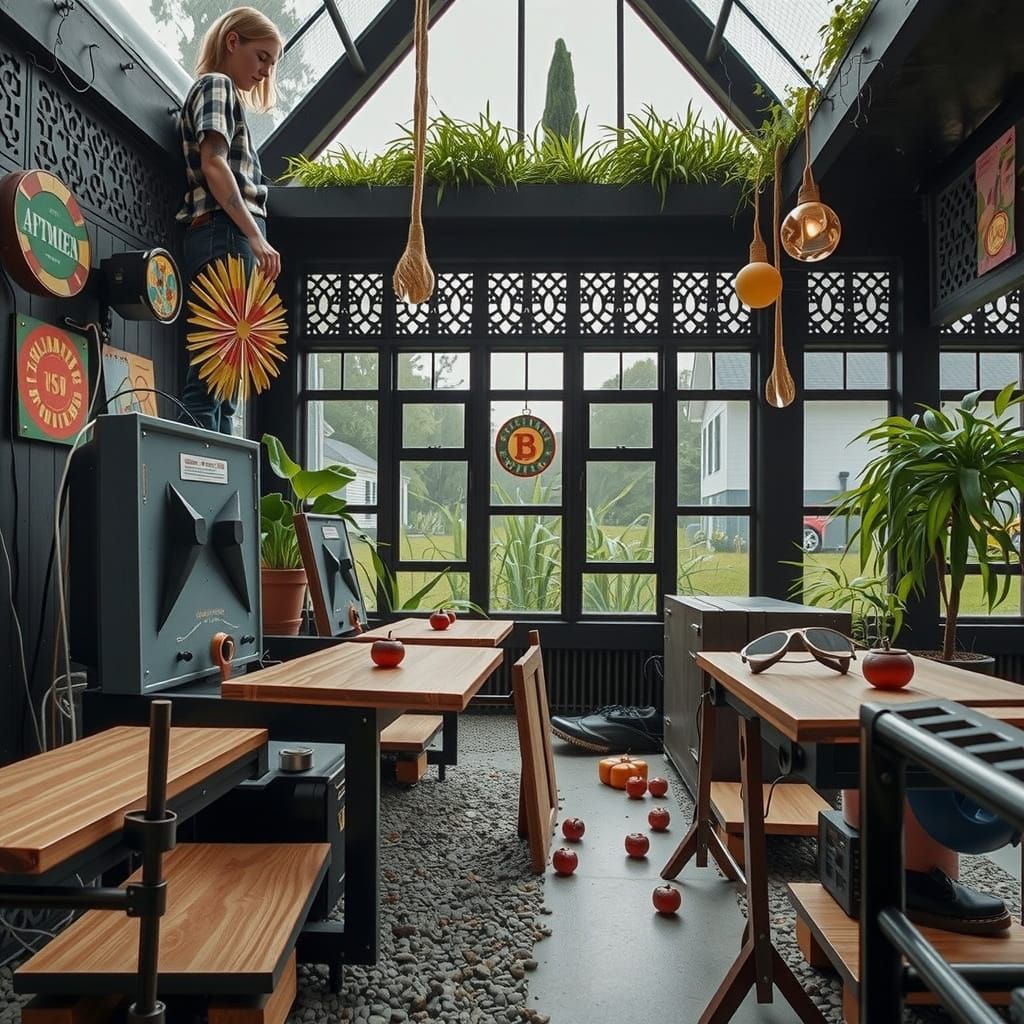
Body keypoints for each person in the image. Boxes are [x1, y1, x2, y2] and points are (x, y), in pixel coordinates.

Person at [176, 6, 283, 434]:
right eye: (262, 57)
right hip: (225, 233)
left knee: (224, 377)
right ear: (233, 41)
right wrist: (255, 236)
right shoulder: (216, 85)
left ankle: (217, 470)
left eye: (272, 63)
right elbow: (214, 163)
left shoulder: (223, 93)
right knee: (213, 377)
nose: (266, 71)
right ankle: (199, 469)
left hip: (225, 236)